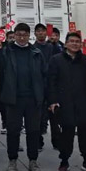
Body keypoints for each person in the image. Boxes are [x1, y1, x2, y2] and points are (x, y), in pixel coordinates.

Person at [48, 32, 86, 171]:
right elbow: (51, 82)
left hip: (83, 101)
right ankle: (64, 161)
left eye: (77, 41)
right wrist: (53, 101)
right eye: (71, 41)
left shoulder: (85, 59)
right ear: (66, 44)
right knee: (67, 132)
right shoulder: (56, 59)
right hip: (65, 102)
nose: (74, 44)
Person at [1, 23, 47, 171]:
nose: (22, 38)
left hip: (32, 99)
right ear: (14, 35)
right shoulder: (7, 51)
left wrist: (43, 95)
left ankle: (33, 160)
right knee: (13, 130)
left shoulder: (36, 53)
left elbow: (44, 75)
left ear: (29, 36)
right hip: (13, 98)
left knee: (33, 131)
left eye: (25, 35)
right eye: (19, 35)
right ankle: (12, 160)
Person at [34, 24, 58, 152]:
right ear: (35, 34)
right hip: (38, 85)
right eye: (38, 31)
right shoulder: (33, 48)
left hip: (52, 84)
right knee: (37, 115)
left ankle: (56, 141)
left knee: (54, 114)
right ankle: (38, 141)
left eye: (43, 31)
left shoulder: (52, 47)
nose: (41, 33)